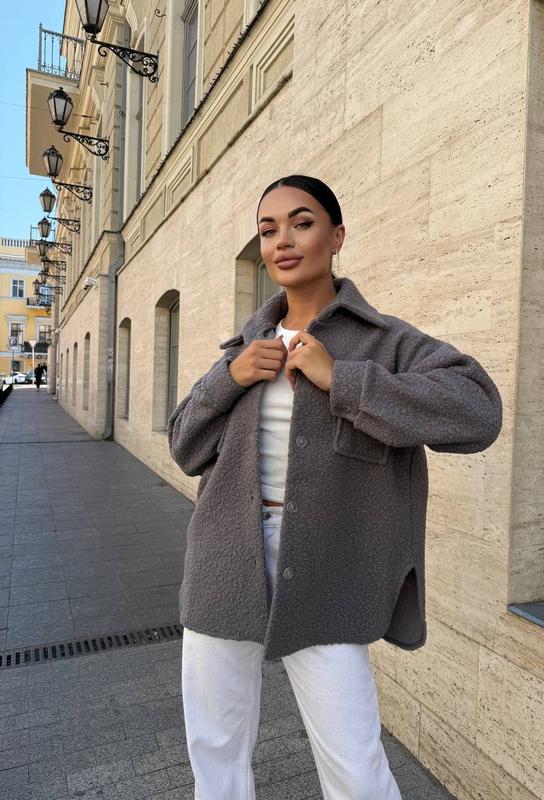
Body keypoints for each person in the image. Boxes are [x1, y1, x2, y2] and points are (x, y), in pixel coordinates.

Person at [167, 175, 503, 800]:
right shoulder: (244, 346)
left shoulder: (385, 341)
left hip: (327, 568)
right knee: (214, 749)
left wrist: (342, 378)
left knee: (355, 765)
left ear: (337, 236)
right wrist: (229, 378)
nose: (282, 241)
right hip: (223, 560)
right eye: (268, 230)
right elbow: (184, 446)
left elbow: (478, 411)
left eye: (302, 223)